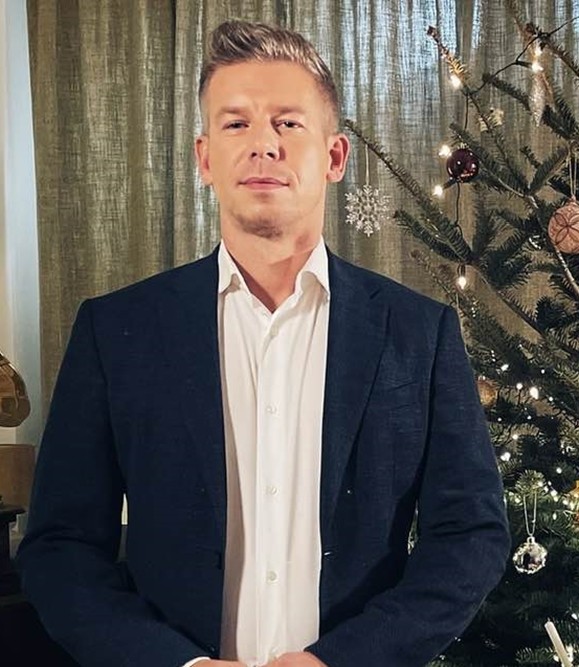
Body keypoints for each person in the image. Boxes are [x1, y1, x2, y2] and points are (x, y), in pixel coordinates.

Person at [16, 20, 510, 667]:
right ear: (204, 158)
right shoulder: (115, 331)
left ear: (334, 157)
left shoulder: (420, 332)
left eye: (288, 122)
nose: (263, 145)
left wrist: (343, 659)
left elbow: (470, 534)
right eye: (236, 123)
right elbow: (60, 547)